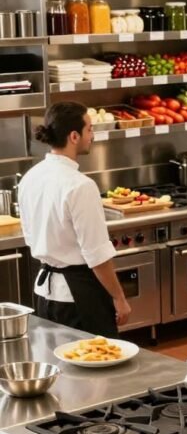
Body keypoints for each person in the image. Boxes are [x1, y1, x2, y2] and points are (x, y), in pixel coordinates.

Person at [18, 102, 130, 337]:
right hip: (78, 296)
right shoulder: (80, 186)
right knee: (95, 365)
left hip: (44, 293)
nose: (92, 135)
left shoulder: (30, 178)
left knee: (54, 364)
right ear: (74, 136)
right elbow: (97, 256)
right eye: (89, 129)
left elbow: (30, 237)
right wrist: (119, 298)